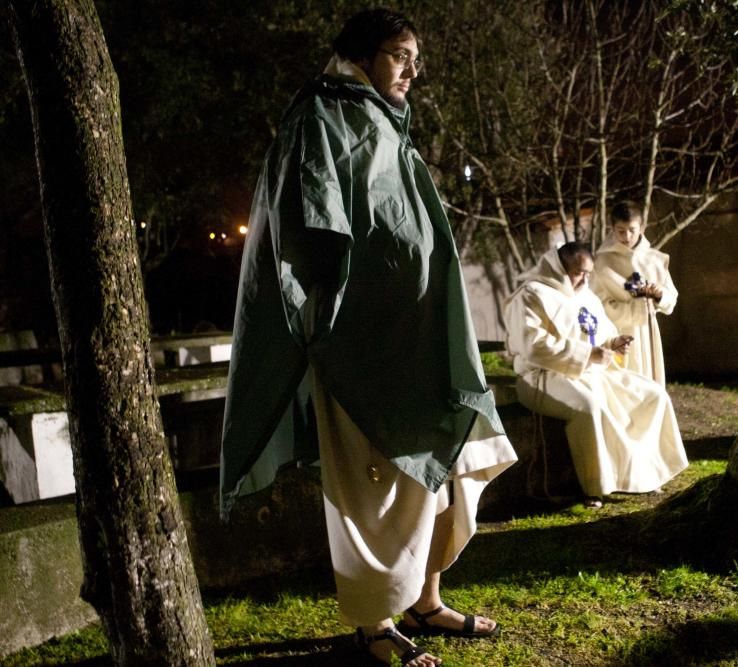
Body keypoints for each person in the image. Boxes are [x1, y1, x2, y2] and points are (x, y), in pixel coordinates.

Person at [219, 9, 516, 666]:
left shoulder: (378, 113)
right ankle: (376, 625)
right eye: (399, 54)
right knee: (373, 481)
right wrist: (348, 307)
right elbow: (311, 224)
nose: (411, 70)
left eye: (416, 59)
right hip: (359, 338)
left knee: (448, 450)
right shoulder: (321, 115)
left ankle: (426, 598)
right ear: (361, 52)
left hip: (419, 331)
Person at [503, 242, 687, 508]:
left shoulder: (585, 295)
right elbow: (533, 347)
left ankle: (646, 473)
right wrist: (588, 355)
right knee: (589, 407)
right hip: (542, 377)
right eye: (579, 272)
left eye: (589, 272)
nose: (586, 279)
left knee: (653, 395)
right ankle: (595, 487)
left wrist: (614, 342)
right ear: (559, 267)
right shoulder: (532, 294)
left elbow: (602, 333)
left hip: (592, 372)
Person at [591, 201, 679, 386]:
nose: (626, 236)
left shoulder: (654, 259)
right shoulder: (601, 262)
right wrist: (634, 308)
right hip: (618, 332)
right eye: (620, 231)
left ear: (642, 227)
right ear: (612, 228)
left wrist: (658, 295)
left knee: (650, 382)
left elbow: (671, 297)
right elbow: (596, 304)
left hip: (648, 331)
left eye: (632, 230)